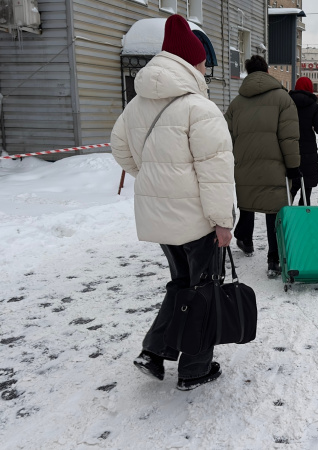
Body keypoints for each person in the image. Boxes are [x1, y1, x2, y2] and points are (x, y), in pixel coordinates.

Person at [110, 15, 234, 391]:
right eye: (202, 62)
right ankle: (196, 367)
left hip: (159, 219)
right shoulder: (199, 108)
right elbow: (215, 173)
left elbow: (119, 148)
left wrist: (153, 180)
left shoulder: (135, 105)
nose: (203, 68)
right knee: (206, 290)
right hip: (198, 221)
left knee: (182, 283)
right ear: (192, 63)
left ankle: (155, 351)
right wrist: (222, 221)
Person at [225, 55, 300, 278]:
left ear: (248, 73)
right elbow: (289, 138)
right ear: (267, 72)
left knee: (248, 202)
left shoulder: (236, 104)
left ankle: (245, 240)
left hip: (244, 165)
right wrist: (294, 167)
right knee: (274, 211)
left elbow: (225, 136)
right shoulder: (283, 99)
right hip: (275, 168)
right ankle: (274, 260)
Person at [288, 76, 318, 206]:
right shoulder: (313, 106)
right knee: (306, 191)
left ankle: (287, 219)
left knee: (290, 190)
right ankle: (303, 220)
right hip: (308, 151)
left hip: (290, 149)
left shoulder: (288, 103)